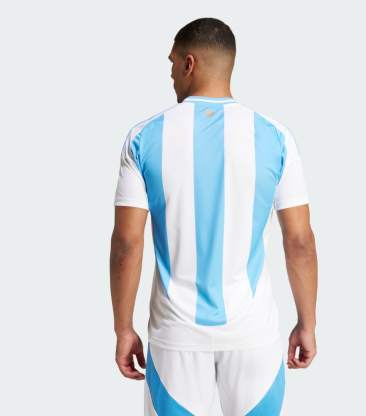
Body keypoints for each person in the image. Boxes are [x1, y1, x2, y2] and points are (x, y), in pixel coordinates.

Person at [110, 17, 318, 415]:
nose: (170, 74)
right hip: (254, 335)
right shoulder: (276, 137)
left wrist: (123, 328)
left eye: (172, 63)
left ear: (189, 64)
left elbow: (127, 242)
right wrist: (307, 324)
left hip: (175, 338)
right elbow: (299, 241)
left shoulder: (143, 137)